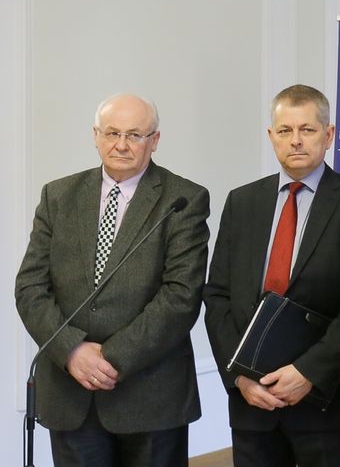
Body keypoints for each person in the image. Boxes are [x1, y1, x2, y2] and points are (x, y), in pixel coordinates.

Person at [15, 94, 210, 466]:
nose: (121, 144)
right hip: (71, 394)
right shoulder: (58, 195)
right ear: (95, 135)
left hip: (151, 395)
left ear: (154, 140)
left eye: (134, 135)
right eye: (112, 133)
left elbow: (181, 297)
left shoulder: (184, 199)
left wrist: (110, 358)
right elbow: (30, 287)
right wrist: (72, 351)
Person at [203, 84, 340, 467]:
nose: (295, 140)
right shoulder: (242, 201)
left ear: (328, 135)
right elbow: (217, 296)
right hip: (252, 403)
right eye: (285, 130)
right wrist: (238, 377)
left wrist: (309, 372)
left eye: (307, 129)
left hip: (326, 405)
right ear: (272, 136)